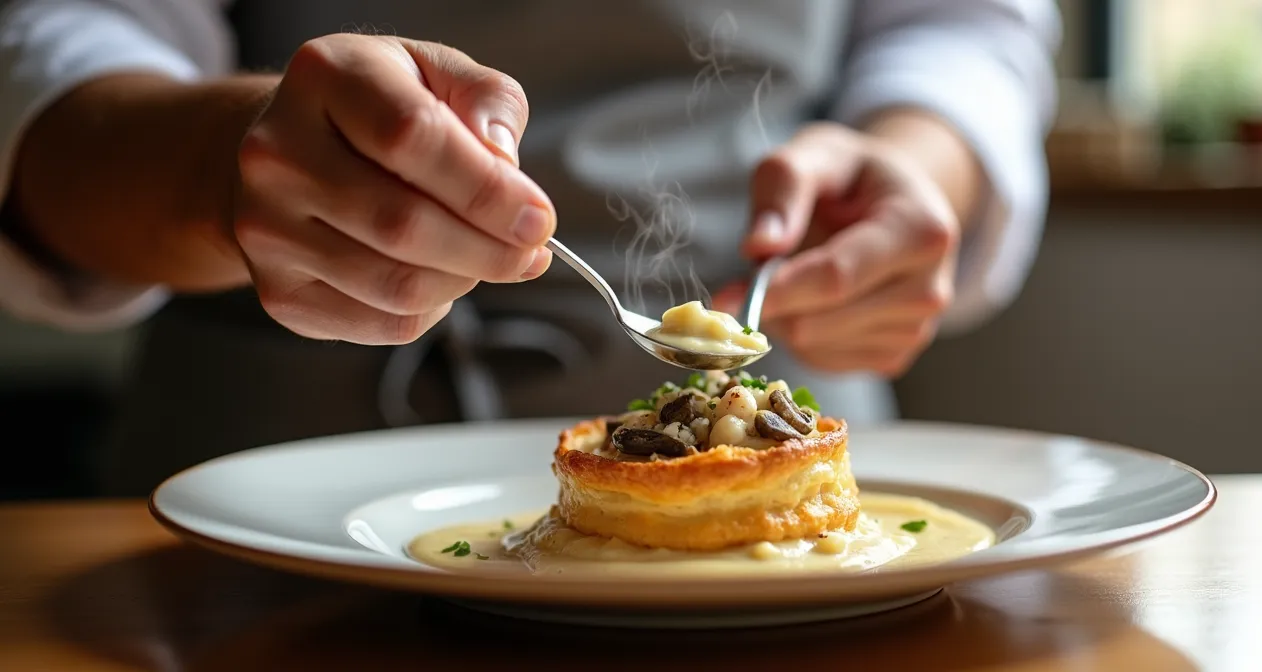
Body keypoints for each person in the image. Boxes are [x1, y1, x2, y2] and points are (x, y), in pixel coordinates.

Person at [0, 0, 1061, 495]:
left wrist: (919, 162)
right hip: (273, 495)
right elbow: (54, 35)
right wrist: (216, 166)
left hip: (799, 541)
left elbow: (962, 27)